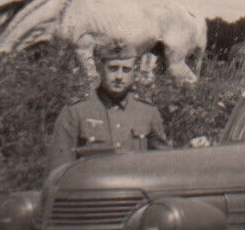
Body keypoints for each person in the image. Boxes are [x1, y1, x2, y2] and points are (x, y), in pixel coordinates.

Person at [45, 39, 170, 173]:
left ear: (134, 73)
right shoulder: (75, 112)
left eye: (126, 70)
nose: (119, 76)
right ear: (100, 69)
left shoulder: (148, 113)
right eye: (113, 68)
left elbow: (164, 165)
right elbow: (59, 171)